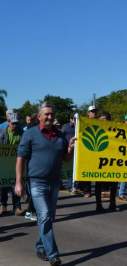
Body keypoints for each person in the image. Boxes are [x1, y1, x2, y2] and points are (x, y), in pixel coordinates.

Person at [15, 102, 75, 266]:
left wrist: (69, 149)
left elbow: (66, 159)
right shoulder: (30, 134)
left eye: (52, 114)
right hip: (37, 182)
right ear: (39, 116)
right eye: (46, 114)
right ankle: (53, 254)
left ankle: (41, 246)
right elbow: (20, 158)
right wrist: (18, 182)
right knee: (45, 215)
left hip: (55, 182)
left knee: (48, 218)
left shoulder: (60, 135)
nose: (50, 117)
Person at [0, 112, 24, 216]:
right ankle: (3, 206)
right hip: (4, 163)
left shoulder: (21, 132)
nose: (15, 125)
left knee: (16, 184)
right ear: (8, 122)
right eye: (13, 123)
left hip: (16, 163)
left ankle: (17, 207)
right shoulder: (1, 133)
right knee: (3, 185)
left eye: (16, 123)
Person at [95, 112, 118, 212]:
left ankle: (112, 203)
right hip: (98, 162)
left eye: (105, 119)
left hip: (112, 161)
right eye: (101, 119)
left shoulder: (114, 131)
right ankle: (98, 205)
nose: (103, 121)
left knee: (113, 184)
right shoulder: (95, 130)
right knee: (98, 184)